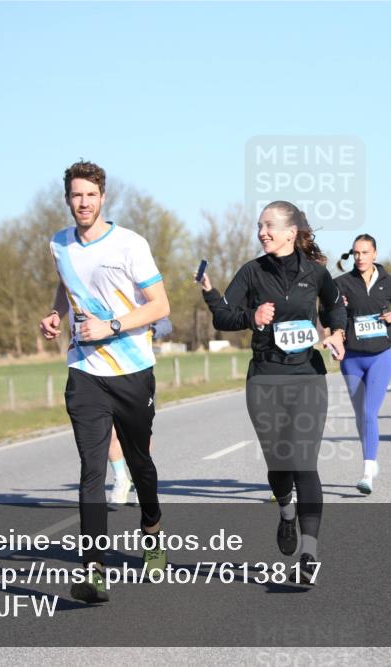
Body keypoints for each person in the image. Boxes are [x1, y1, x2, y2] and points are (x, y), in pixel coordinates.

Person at [39, 161, 170, 603]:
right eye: (76, 195)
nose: (83, 203)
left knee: (140, 465)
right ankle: (94, 570)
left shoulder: (131, 244)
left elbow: (160, 306)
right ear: (67, 199)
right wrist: (56, 313)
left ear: (102, 197)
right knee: (91, 469)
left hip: (132, 370)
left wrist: (112, 326)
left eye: (90, 195)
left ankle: (152, 532)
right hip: (85, 372)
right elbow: (66, 286)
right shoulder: (59, 244)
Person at [201, 200, 346, 584]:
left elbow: (335, 308)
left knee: (304, 462)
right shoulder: (252, 272)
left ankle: (309, 554)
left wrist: (337, 334)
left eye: (268, 226)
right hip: (264, 377)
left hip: (306, 376)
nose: (262, 232)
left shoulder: (316, 274)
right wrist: (252, 317)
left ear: (290, 232)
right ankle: (285, 511)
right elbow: (223, 315)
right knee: (280, 464)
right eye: (260, 226)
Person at [333, 234, 391, 494]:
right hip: (352, 358)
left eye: (365, 252)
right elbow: (329, 310)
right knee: (360, 415)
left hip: (380, 356)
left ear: (375, 254)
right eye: (356, 253)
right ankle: (371, 457)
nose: (360, 258)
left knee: (369, 412)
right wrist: (336, 328)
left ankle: (367, 471)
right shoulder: (342, 283)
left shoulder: (389, 282)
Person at [107, 316, 171, 505]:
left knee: (140, 434)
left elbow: (166, 323)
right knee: (109, 432)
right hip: (105, 373)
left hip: (138, 372)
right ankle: (120, 478)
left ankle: (140, 480)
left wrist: (150, 329)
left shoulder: (139, 295)